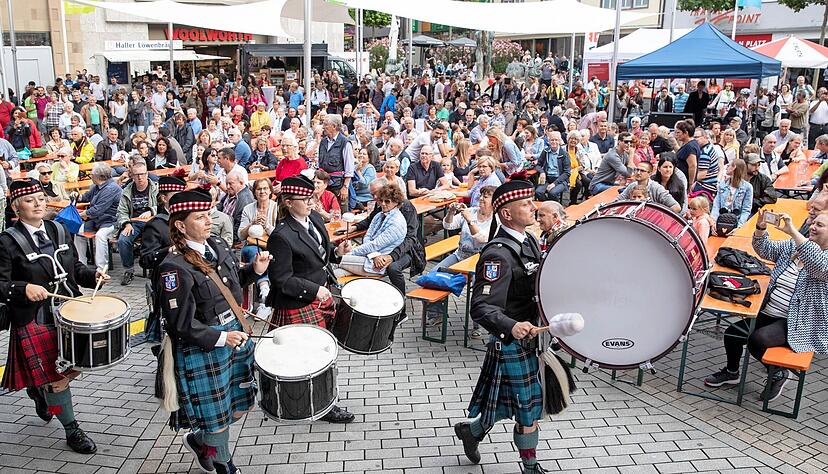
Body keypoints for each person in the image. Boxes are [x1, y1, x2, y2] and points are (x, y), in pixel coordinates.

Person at [157, 188, 271, 474]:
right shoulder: (174, 267)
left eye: (208, 214)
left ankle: (199, 442)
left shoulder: (217, 245)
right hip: (205, 344)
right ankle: (223, 463)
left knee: (239, 403)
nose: (209, 221)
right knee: (215, 415)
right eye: (200, 217)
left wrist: (254, 271)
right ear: (181, 225)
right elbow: (180, 323)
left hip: (234, 333)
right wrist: (222, 337)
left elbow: (230, 285)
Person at [0, 179, 107, 454]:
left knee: (76, 366)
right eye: (29, 200)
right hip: (34, 317)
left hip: (69, 310)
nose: (38, 204)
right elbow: (1, 283)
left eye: (40, 198)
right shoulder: (6, 241)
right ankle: (72, 429)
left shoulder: (58, 229)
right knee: (55, 378)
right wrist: (23, 288)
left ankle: (39, 390)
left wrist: (93, 274)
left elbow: (75, 268)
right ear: (16, 208)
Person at [454, 180, 549, 474]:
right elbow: (481, 307)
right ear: (506, 214)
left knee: (509, 403)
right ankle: (530, 468)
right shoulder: (497, 255)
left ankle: (472, 431)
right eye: (526, 204)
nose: (533, 207)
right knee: (528, 410)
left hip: (533, 339)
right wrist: (512, 325)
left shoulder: (528, 240)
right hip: (511, 342)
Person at [704, 210, 828, 402]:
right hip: (769, 311)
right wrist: (761, 228)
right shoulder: (794, 246)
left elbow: (818, 265)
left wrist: (794, 232)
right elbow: (765, 250)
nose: (812, 227)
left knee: (758, 339)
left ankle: (779, 373)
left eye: (819, 225)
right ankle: (732, 372)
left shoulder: (820, 257)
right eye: (813, 222)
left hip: (797, 322)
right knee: (732, 334)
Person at [265, 173, 355, 423]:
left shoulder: (313, 218)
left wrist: (337, 252)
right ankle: (319, 405)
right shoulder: (281, 236)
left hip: (320, 296)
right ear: (288, 202)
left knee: (323, 350)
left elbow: (319, 253)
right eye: (304, 199)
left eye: (311, 197)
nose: (310, 202)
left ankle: (316, 400)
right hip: (298, 301)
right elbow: (281, 279)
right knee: (310, 355)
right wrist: (314, 290)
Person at [333, 184, 407, 278]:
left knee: (338, 259)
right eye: (381, 200)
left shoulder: (397, 222)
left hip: (379, 264)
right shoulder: (379, 215)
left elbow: (375, 245)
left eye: (387, 201)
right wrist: (373, 255)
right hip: (370, 257)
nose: (383, 204)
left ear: (396, 202)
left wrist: (351, 253)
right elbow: (367, 237)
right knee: (335, 273)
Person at [73, 162, 122, 270]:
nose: (90, 176)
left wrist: (80, 214)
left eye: (92, 174)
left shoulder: (111, 188)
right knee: (78, 231)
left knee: (100, 236)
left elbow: (98, 209)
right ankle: (81, 264)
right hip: (97, 221)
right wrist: (78, 196)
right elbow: (86, 197)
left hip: (112, 221)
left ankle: (101, 267)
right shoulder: (97, 186)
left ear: (98, 176)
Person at [116, 161, 158, 285]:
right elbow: (121, 211)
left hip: (153, 222)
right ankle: (129, 270)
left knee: (155, 238)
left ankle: (153, 267)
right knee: (123, 240)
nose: (140, 177)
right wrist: (126, 223)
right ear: (132, 176)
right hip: (134, 222)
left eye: (142, 174)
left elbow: (163, 206)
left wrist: (151, 210)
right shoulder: (127, 191)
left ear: (147, 174)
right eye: (137, 175)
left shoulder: (156, 188)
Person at [317, 114, 355, 207]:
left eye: (325, 124)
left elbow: (349, 168)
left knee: (340, 211)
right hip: (324, 185)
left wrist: (345, 187)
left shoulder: (345, 142)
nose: (323, 127)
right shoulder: (323, 142)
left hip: (338, 186)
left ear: (334, 126)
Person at [615, 161, 681, 212]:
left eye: (642, 171)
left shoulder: (657, 188)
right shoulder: (632, 185)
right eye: (637, 170)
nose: (638, 173)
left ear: (650, 173)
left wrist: (658, 215)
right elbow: (617, 201)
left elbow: (676, 207)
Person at [711, 159, 754, 233]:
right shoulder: (722, 184)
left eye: (728, 166)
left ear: (734, 167)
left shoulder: (747, 187)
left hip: (737, 221)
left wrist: (739, 227)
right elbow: (716, 205)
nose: (726, 168)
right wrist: (713, 222)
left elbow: (746, 209)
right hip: (721, 220)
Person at [217, 172, 255, 245]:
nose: (228, 187)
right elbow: (221, 204)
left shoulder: (245, 199)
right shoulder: (233, 192)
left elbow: (238, 226)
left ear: (241, 183)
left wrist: (227, 242)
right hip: (221, 228)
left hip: (229, 238)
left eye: (230, 183)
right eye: (226, 184)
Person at [534, 130, 570, 202]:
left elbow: (567, 172)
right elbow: (538, 165)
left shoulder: (564, 154)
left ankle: (555, 207)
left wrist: (554, 183)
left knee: (552, 193)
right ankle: (547, 205)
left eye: (556, 140)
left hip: (560, 180)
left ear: (559, 141)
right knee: (538, 192)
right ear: (549, 141)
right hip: (547, 179)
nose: (554, 142)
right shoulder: (545, 151)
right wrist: (542, 172)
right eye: (552, 140)